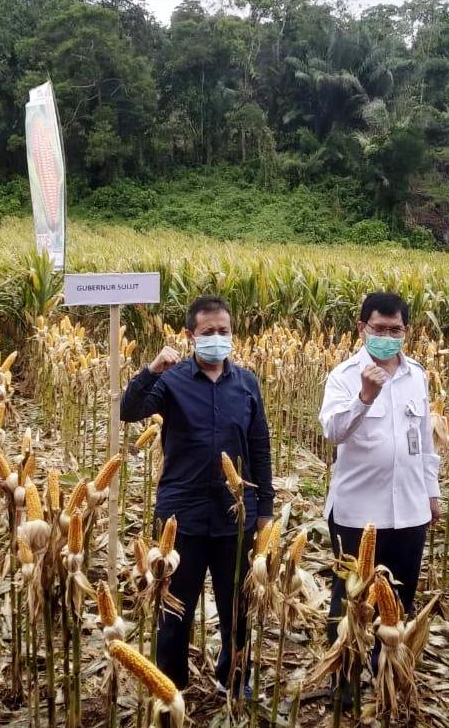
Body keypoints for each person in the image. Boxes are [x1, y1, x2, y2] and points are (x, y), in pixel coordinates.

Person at [120, 295, 274, 694]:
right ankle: (169, 685)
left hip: (234, 517)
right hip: (181, 516)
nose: (217, 339)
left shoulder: (246, 383)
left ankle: (234, 678)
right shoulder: (171, 381)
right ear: (190, 335)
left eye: (224, 332)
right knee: (174, 607)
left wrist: (265, 509)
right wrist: (151, 369)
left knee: (236, 607)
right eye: (208, 333)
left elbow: (259, 447)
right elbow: (129, 409)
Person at [320, 292, 440, 691]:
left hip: (408, 510)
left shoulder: (417, 375)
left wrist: (432, 492)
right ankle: (344, 674)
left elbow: (423, 440)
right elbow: (333, 432)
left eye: (396, 329)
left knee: (397, 600)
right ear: (362, 328)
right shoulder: (343, 375)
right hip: (357, 512)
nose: (388, 336)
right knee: (350, 598)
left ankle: (386, 670)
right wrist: (364, 398)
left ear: (406, 331)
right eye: (379, 329)